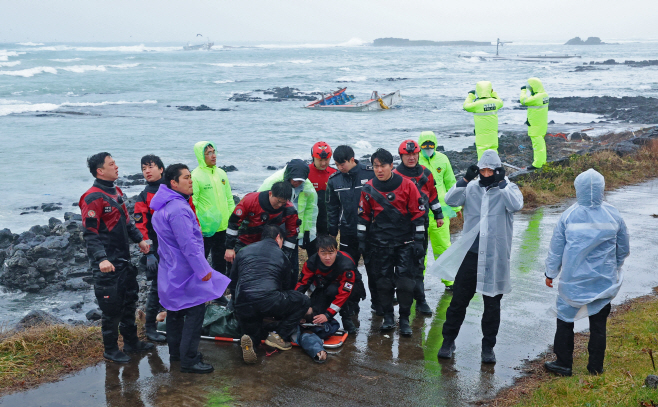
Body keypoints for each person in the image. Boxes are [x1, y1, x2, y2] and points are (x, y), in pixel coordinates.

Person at [431, 150, 524, 363]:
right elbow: (450, 200)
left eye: (490, 170)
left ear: (498, 170)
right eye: (482, 170)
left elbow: (516, 205)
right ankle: (448, 341)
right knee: (458, 302)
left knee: (492, 306)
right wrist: (463, 179)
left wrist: (501, 185)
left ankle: (488, 347)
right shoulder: (472, 187)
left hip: (494, 256)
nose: (486, 173)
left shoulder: (508, 188)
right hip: (471, 255)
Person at [543, 169, 630, 376]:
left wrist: (550, 273)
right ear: (602, 188)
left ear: (577, 188)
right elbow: (623, 248)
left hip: (574, 280)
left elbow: (556, 248)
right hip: (603, 280)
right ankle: (595, 368)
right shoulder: (613, 215)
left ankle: (564, 364)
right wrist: (614, 267)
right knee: (598, 324)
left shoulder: (569, 215)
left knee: (565, 320)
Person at [151, 163, 231, 374]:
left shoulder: (162, 207)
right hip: (185, 271)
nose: (190, 181)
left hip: (170, 270)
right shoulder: (178, 209)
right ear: (173, 183)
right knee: (195, 313)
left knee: (175, 312)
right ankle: (189, 359)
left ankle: (177, 353)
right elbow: (189, 245)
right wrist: (203, 270)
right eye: (186, 178)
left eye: (190, 177)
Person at [79, 152, 153, 363]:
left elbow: (127, 221)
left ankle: (131, 342)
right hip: (106, 265)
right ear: (100, 171)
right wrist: (102, 259)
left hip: (123, 261)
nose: (117, 167)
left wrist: (139, 240)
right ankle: (110, 349)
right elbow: (90, 234)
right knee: (111, 310)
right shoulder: (92, 197)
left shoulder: (115, 191)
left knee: (129, 301)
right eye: (112, 164)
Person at [358, 148, 426, 335]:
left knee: (405, 284)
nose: (379, 170)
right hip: (379, 244)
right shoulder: (368, 188)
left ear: (391, 166)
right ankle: (388, 317)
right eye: (375, 166)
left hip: (405, 242)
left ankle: (404, 319)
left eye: (383, 166)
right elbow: (363, 216)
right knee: (383, 283)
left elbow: (419, 214)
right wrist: (362, 240)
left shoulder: (408, 186)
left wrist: (419, 241)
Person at [229, 225, 311, 364]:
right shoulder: (282, 256)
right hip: (269, 300)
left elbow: (233, 281)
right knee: (302, 301)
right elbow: (286, 288)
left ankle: (252, 344)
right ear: (278, 237)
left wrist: (236, 305)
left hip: (243, 302)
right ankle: (278, 336)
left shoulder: (243, 251)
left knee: (253, 328)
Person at [394, 140, 445, 315]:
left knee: (418, 263)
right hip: (399, 227)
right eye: (407, 155)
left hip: (420, 225)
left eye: (414, 154)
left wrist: (438, 215)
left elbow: (433, 195)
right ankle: (398, 296)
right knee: (398, 264)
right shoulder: (395, 175)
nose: (411, 157)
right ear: (401, 156)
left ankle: (421, 300)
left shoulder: (426, 173)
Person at [326, 145, 374, 311]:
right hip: (348, 231)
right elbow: (332, 209)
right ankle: (352, 304)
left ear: (352, 159)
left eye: (342, 164)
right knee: (348, 269)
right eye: (337, 164)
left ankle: (379, 303)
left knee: (375, 268)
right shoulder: (334, 180)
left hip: (371, 231)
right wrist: (332, 233)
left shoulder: (370, 173)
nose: (339, 167)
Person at [417, 131, 460, 290]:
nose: (428, 147)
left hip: (441, 212)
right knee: (419, 250)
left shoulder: (443, 159)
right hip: (419, 213)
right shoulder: (415, 161)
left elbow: (451, 183)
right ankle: (418, 281)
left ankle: (449, 281)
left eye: (431, 144)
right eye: (425, 145)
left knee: (443, 247)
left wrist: (456, 207)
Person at [296, 235, 359, 333]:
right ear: (318, 252)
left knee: (336, 291)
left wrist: (328, 314)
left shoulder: (346, 265)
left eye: (331, 253)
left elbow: (345, 292)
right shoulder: (311, 263)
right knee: (313, 314)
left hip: (349, 288)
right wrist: (295, 305)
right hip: (324, 286)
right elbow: (302, 284)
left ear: (336, 251)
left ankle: (346, 317)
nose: (327, 257)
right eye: (323, 253)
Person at [224, 181, 299, 263]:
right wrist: (229, 248)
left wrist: (284, 255)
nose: (280, 205)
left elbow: (292, 234)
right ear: (270, 193)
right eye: (278, 201)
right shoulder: (250, 200)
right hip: (245, 240)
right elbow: (233, 223)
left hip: (269, 245)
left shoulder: (290, 210)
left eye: (283, 202)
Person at [258, 159, 318, 260]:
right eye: (295, 180)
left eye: (301, 181)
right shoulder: (272, 183)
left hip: (291, 226)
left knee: (291, 258)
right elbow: (258, 203)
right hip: (272, 225)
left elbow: (310, 212)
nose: (297, 183)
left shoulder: (307, 188)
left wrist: (308, 234)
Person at [191, 141, 235, 275]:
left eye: (214, 152)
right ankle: (199, 289)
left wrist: (233, 220)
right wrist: (198, 225)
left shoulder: (221, 173)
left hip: (223, 226)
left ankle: (219, 290)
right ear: (201, 156)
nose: (213, 156)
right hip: (205, 229)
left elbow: (229, 198)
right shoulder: (195, 176)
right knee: (201, 260)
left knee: (221, 260)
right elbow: (193, 203)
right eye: (208, 153)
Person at [463, 81, 504, 159]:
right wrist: (493, 93)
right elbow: (501, 102)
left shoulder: (477, 104)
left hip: (481, 134)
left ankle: (482, 169)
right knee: (493, 150)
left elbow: (466, 106)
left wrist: (470, 96)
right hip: (493, 134)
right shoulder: (496, 102)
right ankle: (494, 168)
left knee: (482, 150)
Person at [308, 142, 337, 237]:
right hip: (310, 219)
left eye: (326, 159)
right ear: (313, 157)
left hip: (327, 220)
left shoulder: (334, 174)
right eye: (320, 160)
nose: (324, 163)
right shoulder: (305, 173)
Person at [519, 78, 550, 170]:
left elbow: (523, 101)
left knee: (537, 146)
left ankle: (537, 164)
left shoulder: (536, 97)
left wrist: (523, 90)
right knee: (541, 144)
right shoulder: (544, 95)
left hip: (535, 125)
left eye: (530, 88)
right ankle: (542, 162)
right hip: (542, 124)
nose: (530, 90)